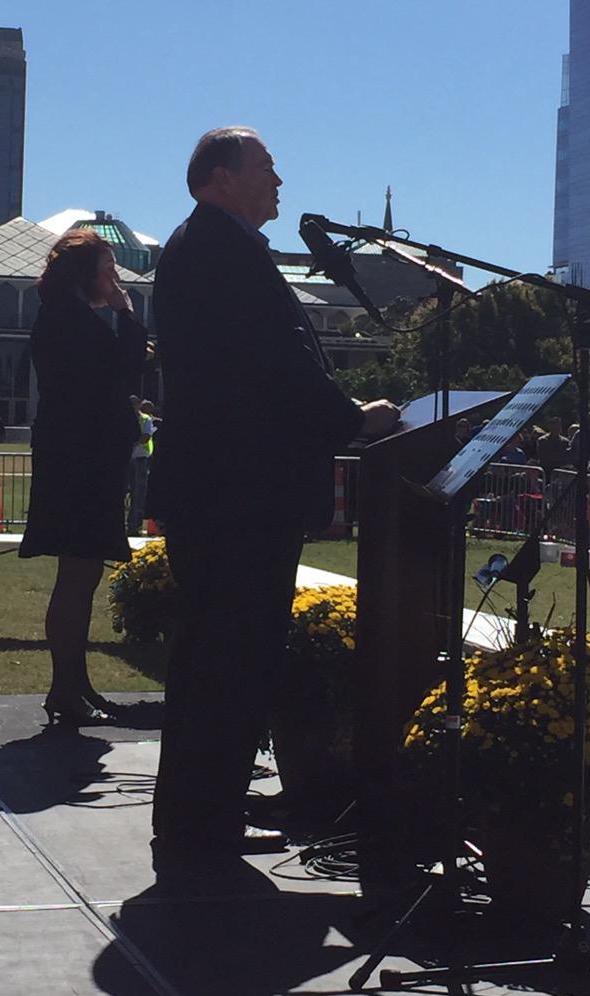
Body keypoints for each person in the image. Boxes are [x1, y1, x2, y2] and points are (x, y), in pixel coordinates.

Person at [149, 126, 400, 880]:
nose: (280, 179)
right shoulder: (219, 251)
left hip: (228, 491)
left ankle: (203, 818)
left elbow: (268, 366)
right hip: (235, 495)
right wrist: (355, 418)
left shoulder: (208, 248)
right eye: (266, 166)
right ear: (222, 177)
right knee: (227, 661)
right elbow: (277, 367)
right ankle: (203, 825)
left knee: (218, 662)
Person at [19, 229, 149, 726]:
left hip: (76, 456)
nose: (115, 279)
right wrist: (127, 313)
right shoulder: (72, 322)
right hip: (82, 461)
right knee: (77, 575)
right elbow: (124, 367)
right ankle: (67, 688)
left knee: (79, 576)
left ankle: (71, 685)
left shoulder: (61, 318)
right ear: (87, 274)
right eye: (109, 269)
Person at [126, 395, 155, 535]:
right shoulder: (123, 419)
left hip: (140, 459)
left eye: (134, 404)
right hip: (126, 460)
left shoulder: (145, 419)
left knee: (138, 494)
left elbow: (146, 436)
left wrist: (133, 444)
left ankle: (134, 526)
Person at [537, 416, 570, 482]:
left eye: (558, 426)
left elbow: (567, 456)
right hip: (547, 471)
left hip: (561, 471)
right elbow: (543, 456)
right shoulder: (542, 440)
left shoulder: (565, 441)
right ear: (549, 427)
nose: (556, 428)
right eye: (554, 426)